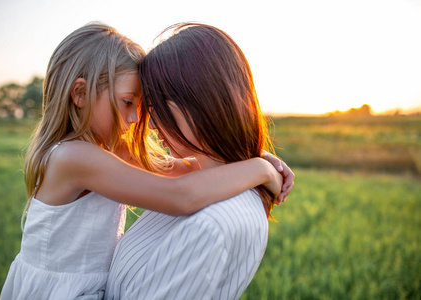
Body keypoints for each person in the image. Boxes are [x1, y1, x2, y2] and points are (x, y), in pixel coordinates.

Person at [0, 23, 290, 300]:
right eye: (128, 102)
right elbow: (182, 196)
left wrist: (257, 155)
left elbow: (188, 168)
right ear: (80, 94)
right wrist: (260, 169)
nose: (136, 118)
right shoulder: (73, 157)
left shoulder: (109, 150)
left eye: (139, 106)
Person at [105, 23, 289, 300]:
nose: (151, 124)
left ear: (201, 101)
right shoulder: (203, 181)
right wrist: (260, 164)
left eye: (156, 108)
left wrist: (260, 166)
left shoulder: (209, 225)